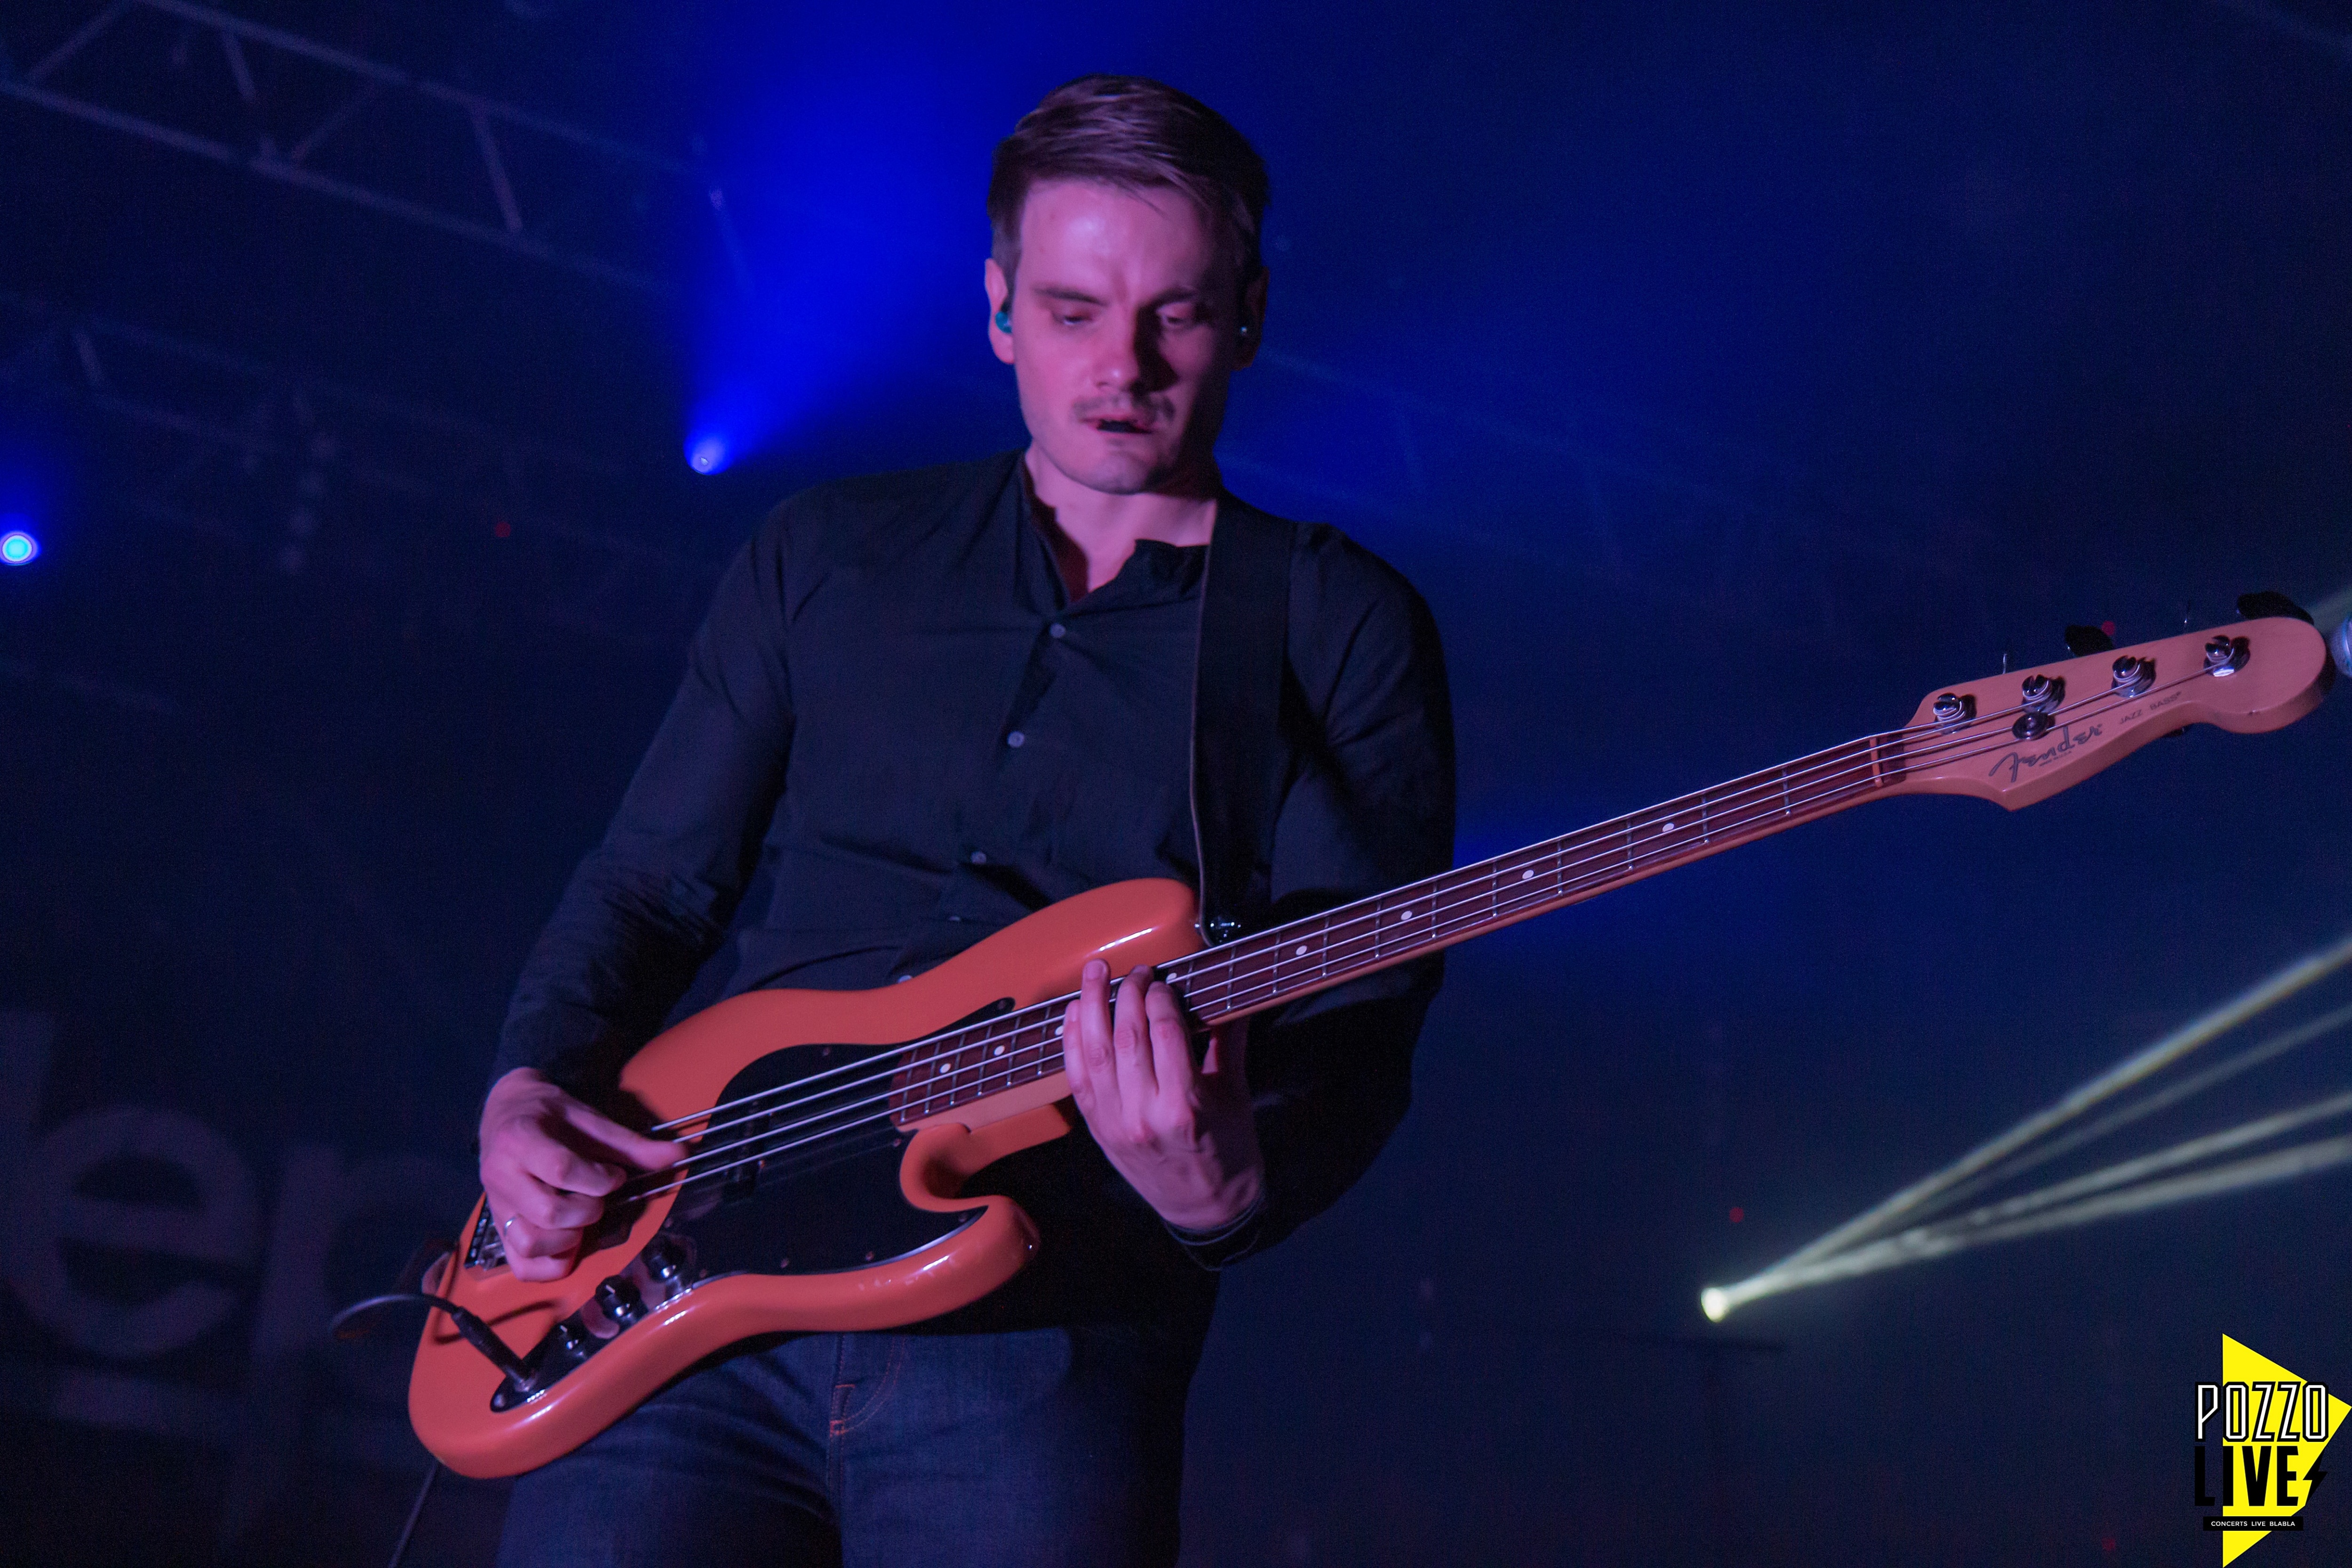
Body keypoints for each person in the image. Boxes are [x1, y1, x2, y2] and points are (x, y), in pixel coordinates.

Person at [480, 75, 1454, 1568]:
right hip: (687, 1281)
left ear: (1250, 314)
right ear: (998, 307)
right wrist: (529, 1083)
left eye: (1177, 316)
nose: (1122, 366)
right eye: (1071, 312)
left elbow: (1360, 1017)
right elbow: (651, 886)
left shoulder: (1337, 628)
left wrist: (1231, 1186)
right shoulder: (829, 552)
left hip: (1045, 1332)